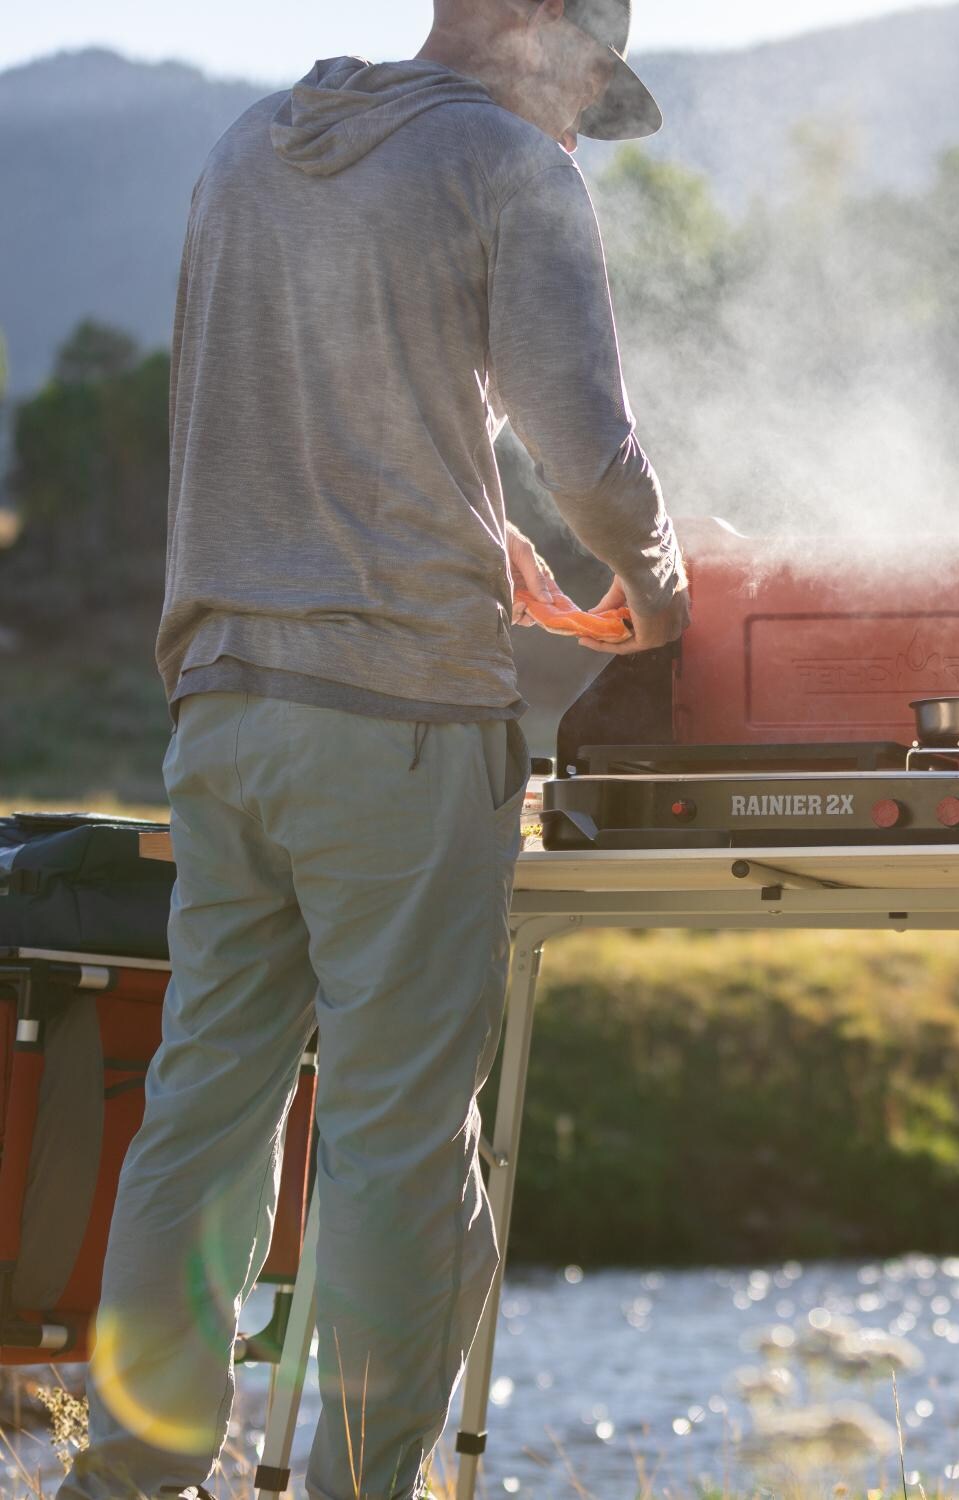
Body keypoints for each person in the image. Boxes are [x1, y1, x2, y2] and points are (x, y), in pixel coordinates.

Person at [59, 1, 689, 1496]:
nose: (577, 123)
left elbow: (320, 433)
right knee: (402, 1142)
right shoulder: (505, 168)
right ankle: (359, 1483)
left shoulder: (248, 152)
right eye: (590, 83)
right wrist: (659, 599)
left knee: (204, 1110)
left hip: (222, 706)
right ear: (539, 23)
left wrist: (472, 541)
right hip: (400, 719)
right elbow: (590, 455)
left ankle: (130, 1477)